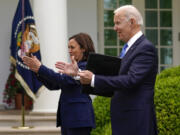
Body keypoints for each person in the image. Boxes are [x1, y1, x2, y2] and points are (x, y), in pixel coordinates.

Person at [56, 5, 158, 135]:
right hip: (124, 119)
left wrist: (93, 79)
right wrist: (78, 74)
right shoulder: (129, 48)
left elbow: (131, 80)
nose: (114, 28)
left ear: (132, 22)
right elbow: (115, 80)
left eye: (117, 23)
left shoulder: (145, 48)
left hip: (136, 121)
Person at [22, 33, 96, 135]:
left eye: (72, 47)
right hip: (68, 118)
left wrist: (41, 68)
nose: (69, 50)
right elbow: (55, 85)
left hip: (79, 118)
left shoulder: (86, 66)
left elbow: (61, 79)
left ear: (83, 48)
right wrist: (37, 71)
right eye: (68, 47)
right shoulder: (74, 66)